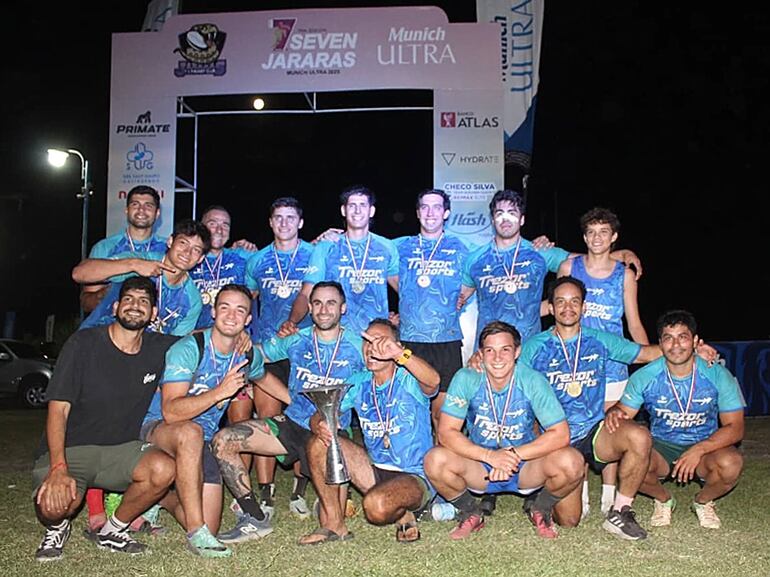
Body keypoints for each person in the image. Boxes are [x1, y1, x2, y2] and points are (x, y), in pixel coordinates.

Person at [32, 277, 177, 561]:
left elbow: (205, 339)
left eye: (144, 302)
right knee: (54, 506)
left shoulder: (159, 347)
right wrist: (58, 466)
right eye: (129, 300)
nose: (136, 307)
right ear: (115, 307)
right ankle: (59, 527)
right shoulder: (83, 343)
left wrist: (241, 335)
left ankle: (113, 530)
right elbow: (58, 409)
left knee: (163, 468)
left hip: (120, 450)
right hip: (74, 449)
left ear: (153, 314)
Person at [211, 281, 365, 543]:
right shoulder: (297, 340)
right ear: (310, 307)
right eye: (317, 303)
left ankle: (330, 503)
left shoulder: (359, 345)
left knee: (332, 522)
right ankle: (254, 517)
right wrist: (244, 342)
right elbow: (258, 356)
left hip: (332, 431)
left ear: (343, 308)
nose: (324, 309)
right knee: (223, 441)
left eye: (331, 303)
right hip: (292, 423)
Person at [520, 276, 668, 540]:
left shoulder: (600, 340)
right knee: (569, 520)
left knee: (639, 436)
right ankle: (541, 496)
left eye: (575, 301)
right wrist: (478, 361)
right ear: (551, 308)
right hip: (556, 437)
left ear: (584, 307)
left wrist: (686, 348)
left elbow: (646, 354)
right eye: (561, 302)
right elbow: (508, 375)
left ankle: (620, 511)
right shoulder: (535, 346)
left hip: (594, 431)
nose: (568, 308)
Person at [424, 321, 584, 540]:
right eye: (490, 350)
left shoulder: (532, 380)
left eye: (505, 350)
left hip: (526, 464)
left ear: (517, 351)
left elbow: (561, 433)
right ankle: (470, 511)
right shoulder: (466, 378)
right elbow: (446, 432)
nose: (497, 358)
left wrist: (512, 456)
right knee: (435, 459)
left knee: (572, 467)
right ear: (480, 353)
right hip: (480, 466)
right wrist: (491, 456)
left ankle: (541, 508)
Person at [140, 283, 265, 555]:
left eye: (239, 310)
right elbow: (170, 412)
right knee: (190, 432)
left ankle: (161, 499)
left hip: (202, 437)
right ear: (213, 311)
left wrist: (294, 404)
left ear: (248, 319)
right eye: (225, 308)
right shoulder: (189, 348)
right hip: (159, 429)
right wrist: (220, 392)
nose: (231, 316)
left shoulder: (246, 354)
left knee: (214, 524)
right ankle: (197, 534)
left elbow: (262, 376)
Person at [300, 318, 440, 544]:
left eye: (380, 341)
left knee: (376, 507)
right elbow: (324, 409)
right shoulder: (359, 382)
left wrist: (400, 354)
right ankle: (334, 525)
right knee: (318, 442)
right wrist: (318, 423)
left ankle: (405, 511)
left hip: (414, 476)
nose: (371, 348)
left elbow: (433, 381)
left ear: (395, 346)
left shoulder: (408, 377)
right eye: (367, 342)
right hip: (374, 470)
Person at [608, 310, 745, 530]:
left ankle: (702, 502)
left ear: (695, 341)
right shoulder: (645, 376)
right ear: (660, 344)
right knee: (630, 465)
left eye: (683, 337)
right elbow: (623, 412)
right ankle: (663, 500)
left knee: (731, 464)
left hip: (705, 447)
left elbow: (736, 428)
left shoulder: (718, 375)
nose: (676, 345)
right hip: (661, 446)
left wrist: (698, 450)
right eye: (668, 338)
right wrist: (614, 412)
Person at [557, 207, 650, 515]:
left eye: (604, 232)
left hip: (612, 364)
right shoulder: (570, 266)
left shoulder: (624, 274)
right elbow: (559, 312)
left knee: (611, 428)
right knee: (578, 427)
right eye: (592, 232)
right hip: (576, 363)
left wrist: (650, 361)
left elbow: (634, 322)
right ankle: (579, 491)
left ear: (614, 237)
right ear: (584, 237)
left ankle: (609, 496)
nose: (597, 238)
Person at [458, 190, 642, 344]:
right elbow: (459, 297)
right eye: (499, 213)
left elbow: (587, 259)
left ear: (522, 219)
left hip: (530, 348)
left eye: (512, 213)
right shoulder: (475, 259)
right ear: (492, 219)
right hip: (489, 350)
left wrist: (618, 254)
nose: (505, 219)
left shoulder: (541, 252)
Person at [245, 197, 315, 515]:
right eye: (278, 218)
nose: (284, 223)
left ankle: (299, 490)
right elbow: (245, 300)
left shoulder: (314, 254)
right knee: (267, 419)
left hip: (303, 349)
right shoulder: (256, 260)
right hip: (267, 351)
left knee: (302, 418)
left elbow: (310, 294)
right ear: (270, 222)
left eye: (291, 217)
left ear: (300, 222)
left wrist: (294, 321)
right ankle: (267, 493)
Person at [393, 189, 470, 430]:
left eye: (436, 207)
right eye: (425, 207)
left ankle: (440, 465)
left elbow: (485, 269)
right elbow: (362, 245)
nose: (430, 212)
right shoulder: (399, 246)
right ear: (417, 213)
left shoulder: (462, 248)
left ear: (446, 213)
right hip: (410, 341)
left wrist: (465, 294)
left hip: (446, 341)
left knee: (443, 416)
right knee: (411, 412)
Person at [282, 185, 399, 337]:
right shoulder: (326, 247)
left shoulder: (386, 246)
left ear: (371, 211)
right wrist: (292, 322)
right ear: (344, 210)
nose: (357, 211)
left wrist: (404, 317)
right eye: (352, 205)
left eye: (362, 205)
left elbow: (403, 290)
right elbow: (306, 293)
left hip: (376, 336)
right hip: (337, 336)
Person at [75, 219, 210, 336]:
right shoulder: (140, 262)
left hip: (141, 357)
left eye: (196, 250)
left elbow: (175, 343)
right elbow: (79, 273)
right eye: (183, 243)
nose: (187, 252)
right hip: (95, 340)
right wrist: (133, 265)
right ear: (170, 241)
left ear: (200, 259)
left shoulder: (193, 299)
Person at [80, 185, 167, 313]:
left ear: (157, 213)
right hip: (112, 326)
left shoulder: (168, 249)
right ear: (126, 210)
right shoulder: (105, 248)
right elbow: (86, 303)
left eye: (148, 205)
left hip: (157, 328)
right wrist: (106, 294)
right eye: (135, 205)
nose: (141, 210)